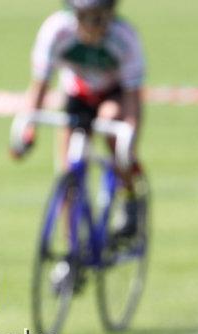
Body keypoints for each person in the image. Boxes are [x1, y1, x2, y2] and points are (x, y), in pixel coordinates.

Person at [12, 0, 146, 236]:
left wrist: (128, 143)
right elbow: (39, 86)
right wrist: (27, 128)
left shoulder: (124, 38)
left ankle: (128, 196)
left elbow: (133, 100)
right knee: (67, 175)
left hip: (112, 94)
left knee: (112, 119)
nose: (95, 26)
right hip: (77, 95)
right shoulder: (56, 30)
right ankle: (71, 253)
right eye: (88, 17)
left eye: (102, 18)